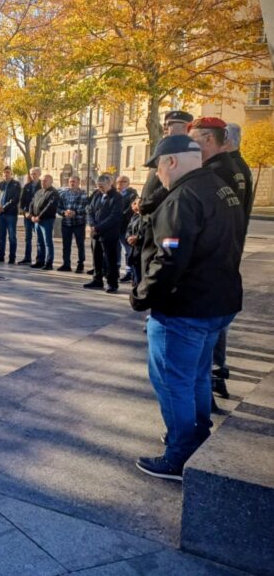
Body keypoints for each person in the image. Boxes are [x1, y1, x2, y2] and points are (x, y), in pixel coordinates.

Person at [130, 134, 244, 481]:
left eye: (158, 168)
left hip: (185, 308)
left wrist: (141, 296)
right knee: (195, 375)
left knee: (171, 381)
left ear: (172, 162)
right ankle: (196, 437)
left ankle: (180, 454)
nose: (158, 176)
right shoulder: (222, 189)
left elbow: (168, 260)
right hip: (217, 302)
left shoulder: (182, 198)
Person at [191, 117, 251, 401]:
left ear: (213, 139)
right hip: (230, 251)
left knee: (211, 322)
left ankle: (214, 376)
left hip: (216, 255)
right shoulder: (239, 167)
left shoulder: (218, 170)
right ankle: (216, 371)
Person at [139, 110, 193, 218]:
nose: (164, 127)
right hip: (148, 213)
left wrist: (146, 204)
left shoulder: (187, 150)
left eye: (170, 124)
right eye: (164, 124)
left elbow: (172, 183)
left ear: (186, 126)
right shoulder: (165, 146)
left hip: (161, 214)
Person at [84, 174, 123, 293]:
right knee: (97, 258)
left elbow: (115, 216)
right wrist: (91, 224)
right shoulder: (96, 194)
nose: (100, 188)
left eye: (102, 186)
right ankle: (97, 280)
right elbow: (89, 209)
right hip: (95, 233)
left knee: (111, 259)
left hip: (109, 233)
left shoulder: (117, 197)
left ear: (109, 184)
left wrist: (98, 227)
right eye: (98, 186)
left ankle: (112, 283)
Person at [56, 175, 88, 273]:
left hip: (79, 223)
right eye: (70, 181)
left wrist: (75, 212)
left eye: (74, 181)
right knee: (66, 245)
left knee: (80, 245)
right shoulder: (63, 194)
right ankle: (66, 264)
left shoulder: (84, 194)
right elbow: (58, 207)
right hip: (66, 223)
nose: (72, 183)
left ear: (79, 182)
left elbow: (87, 208)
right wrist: (63, 213)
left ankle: (80, 264)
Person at [29, 174, 60, 270]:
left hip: (47, 220)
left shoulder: (53, 193)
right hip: (36, 220)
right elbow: (32, 203)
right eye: (42, 181)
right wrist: (32, 215)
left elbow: (49, 207)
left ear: (51, 181)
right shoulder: (39, 192)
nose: (43, 182)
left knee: (47, 242)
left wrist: (39, 216)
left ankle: (48, 262)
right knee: (39, 242)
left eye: (45, 181)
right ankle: (40, 261)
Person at [0, 166, 21, 263]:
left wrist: (3, 207)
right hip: (1, 215)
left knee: (12, 236)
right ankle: (1, 255)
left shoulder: (16, 185)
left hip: (11, 214)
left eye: (8, 172)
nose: (6, 174)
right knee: (1, 236)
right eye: (4, 172)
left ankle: (12, 257)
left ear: (11, 173)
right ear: (2, 174)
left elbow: (15, 199)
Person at [116, 175, 138, 282]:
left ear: (128, 183)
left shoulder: (132, 194)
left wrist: (117, 216)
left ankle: (130, 272)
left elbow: (129, 209)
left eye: (123, 182)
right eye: (118, 182)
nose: (119, 184)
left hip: (126, 226)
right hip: (116, 226)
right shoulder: (116, 194)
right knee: (118, 250)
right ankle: (118, 269)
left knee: (128, 250)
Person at [18, 167, 41, 264]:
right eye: (31, 173)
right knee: (28, 238)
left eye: (35, 173)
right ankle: (27, 258)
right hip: (27, 217)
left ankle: (39, 259)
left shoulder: (42, 186)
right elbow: (21, 202)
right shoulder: (27, 186)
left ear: (39, 174)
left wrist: (37, 215)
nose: (33, 175)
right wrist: (25, 212)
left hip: (38, 217)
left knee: (39, 238)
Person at [125, 197, 143, 286]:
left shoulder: (147, 216)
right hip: (133, 248)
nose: (133, 205)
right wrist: (129, 237)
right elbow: (129, 229)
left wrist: (137, 238)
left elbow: (146, 231)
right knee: (135, 269)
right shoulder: (135, 215)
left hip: (141, 248)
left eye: (136, 203)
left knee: (140, 274)